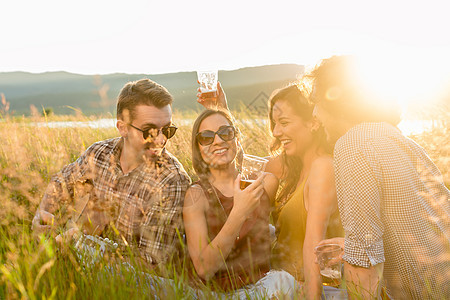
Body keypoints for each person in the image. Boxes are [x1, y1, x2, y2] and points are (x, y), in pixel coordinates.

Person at [309, 55, 450, 299]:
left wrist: (356, 250)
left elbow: (363, 262)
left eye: (317, 102)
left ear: (336, 102)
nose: (314, 112)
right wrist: (350, 245)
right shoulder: (403, 142)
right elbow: (421, 223)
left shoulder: (353, 144)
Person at [197, 83, 345, 299]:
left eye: (284, 123)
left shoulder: (323, 167)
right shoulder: (293, 163)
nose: (276, 132)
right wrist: (222, 112)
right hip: (274, 281)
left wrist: (312, 296)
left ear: (313, 123)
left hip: (299, 286)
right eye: (275, 124)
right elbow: (246, 164)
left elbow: (314, 245)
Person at [31, 78, 191, 271]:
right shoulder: (99, 153)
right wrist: (42, 214)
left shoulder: (172, 180)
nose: (161, 139)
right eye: (149, 131)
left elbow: (153, 264)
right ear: (123, 127)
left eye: (167, 129)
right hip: (78, 266)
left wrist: (80, 245)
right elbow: (60, 182)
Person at [183, 108, 297, 298]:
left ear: (236, 138)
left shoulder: (264, 183)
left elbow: (295, 157)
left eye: (225, 133)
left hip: (264, 287)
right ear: (199, 148)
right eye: (206, 137)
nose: (218, 141)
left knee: (285, 281)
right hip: (217, 293)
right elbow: (204, 269)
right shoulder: (196, 196)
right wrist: (239, 212)